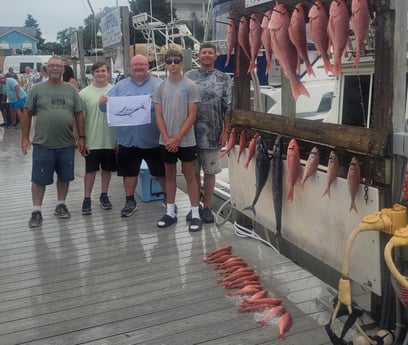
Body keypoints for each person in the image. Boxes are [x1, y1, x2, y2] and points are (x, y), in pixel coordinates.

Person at [21, 55, 86, 228]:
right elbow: (27, 114)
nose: (55, 69)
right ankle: (36, 211)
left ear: (64, 69)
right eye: (52, 66)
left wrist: (81, 137)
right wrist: (25, 138)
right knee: (38, 180)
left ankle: (60, 205)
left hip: (66, 144)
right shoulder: (36, 89)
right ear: (47, 69)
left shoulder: (71, 89)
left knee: (65, 177)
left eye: (59, 66)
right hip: (43, 143)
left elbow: (79, 113)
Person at [99, 54, 166, 218]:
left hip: (153, 139)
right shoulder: (119, 86)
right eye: (135, 65)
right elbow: (106, 109)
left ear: (148, 66)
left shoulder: (160, 85)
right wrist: (102, 103)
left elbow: (168, 107)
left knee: (161, 172)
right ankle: (130, 201)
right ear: (130, 67)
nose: (138, 68)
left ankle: (169, 200)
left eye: (142, 65)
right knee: (129, 173)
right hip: (127, 139)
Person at [153, 49, 202, 232]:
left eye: (176, 61)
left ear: (181, 63)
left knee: (190, 175)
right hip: (166, 141)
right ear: (165, 64)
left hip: (186, 140)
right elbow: (158, 115)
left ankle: (195, 213)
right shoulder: (159, 87)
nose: (172, 64)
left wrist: (177, 138)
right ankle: (171, 212)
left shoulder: (190, 85)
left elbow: (192, 116)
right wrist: (167, 138)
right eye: (169, 61)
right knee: (169, 175)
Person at [184, 42, 232, 223]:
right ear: (198, 56)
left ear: (215, 56)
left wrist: (225, 132)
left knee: (210, 172)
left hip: (213, 134)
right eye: (203, 52)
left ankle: (207, 208)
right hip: (188, 135)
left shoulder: (224, 78)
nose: (206, 55)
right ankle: (194, 207)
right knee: (193, 173)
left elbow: (228, 108)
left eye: (210, 53)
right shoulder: (188, 76)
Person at [79, 61, 116, 215]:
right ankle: (86, 198)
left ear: (108, 73)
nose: (100, 74)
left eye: (103, 71)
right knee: (90, 171)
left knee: (107, 170)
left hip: (110, 139)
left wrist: (119, 140)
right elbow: (80, 118)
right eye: (97, 71)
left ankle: (104, 195)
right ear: (92, 74)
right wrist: (81, 139)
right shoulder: (84, 93)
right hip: (92, 140)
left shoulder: (115, 90)